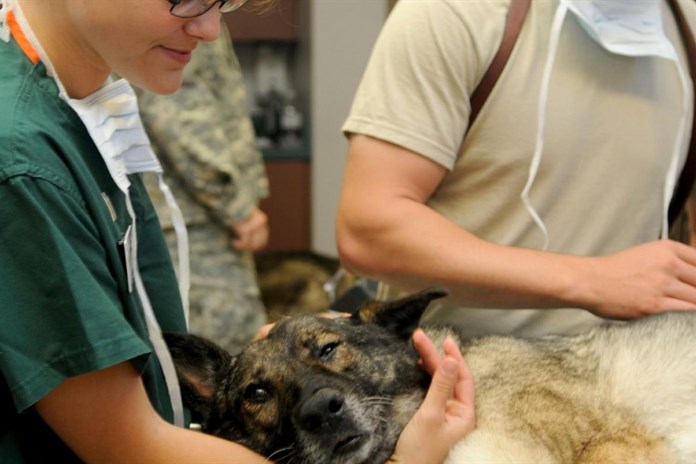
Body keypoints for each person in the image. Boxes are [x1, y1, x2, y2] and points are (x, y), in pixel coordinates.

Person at [0, 0, 475, 462]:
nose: (209, 30)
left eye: (224, 3)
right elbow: (128, 446)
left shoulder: (81, 108)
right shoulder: (23, 163)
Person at [337, 0, 696, 340]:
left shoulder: (687, 26)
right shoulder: (454, 13)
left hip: (637, 376)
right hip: (462, 377)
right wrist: (593, 280)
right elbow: (368, 231)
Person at [136, 21, 269, 356]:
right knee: (225, 363)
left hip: (186, 214)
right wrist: (236, 207)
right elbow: (178, 113)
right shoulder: (186, 14)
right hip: (192, 220)